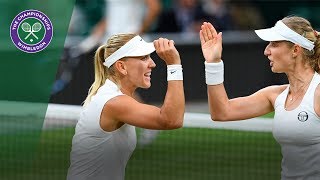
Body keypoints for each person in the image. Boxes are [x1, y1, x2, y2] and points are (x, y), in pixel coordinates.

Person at [200, 16, 320, 179]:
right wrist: (213, 63)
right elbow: (221, 112)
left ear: (295, 50)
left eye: (274, 44)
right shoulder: (275, 95)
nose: (266, 51)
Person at [66, 34, 185, 180]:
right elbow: (172, 120)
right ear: (121, 67)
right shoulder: (113, 102)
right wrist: (174, 65)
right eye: (144, 58)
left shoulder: (112, 95)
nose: (153, 64)